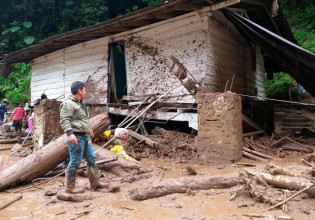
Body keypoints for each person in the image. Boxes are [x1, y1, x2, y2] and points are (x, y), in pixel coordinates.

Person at [60, 81, 107, 194]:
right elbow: (64, 120)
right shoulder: (68, 103)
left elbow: (83, 119)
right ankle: (70, 188)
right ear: (79, 91)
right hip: (76, 137)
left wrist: (88, 129)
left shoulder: (82, 103)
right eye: (84, 90)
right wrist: (70, 134)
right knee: (75, 161)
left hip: (85, 137)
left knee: (91, 158)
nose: (86, 92)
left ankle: (95, 183)